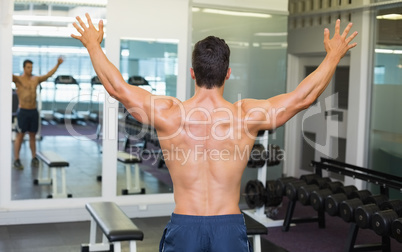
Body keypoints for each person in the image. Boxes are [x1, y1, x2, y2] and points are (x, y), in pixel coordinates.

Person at [71, 13, 357, 252]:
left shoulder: (169, 114)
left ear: (193, 73)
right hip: (228, 228)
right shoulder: (245, 116)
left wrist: (93, 45)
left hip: (185, 226)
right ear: (228, 73)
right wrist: (333, 55)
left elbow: (116, 87)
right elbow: (302, 99)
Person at [12, 57, 64, 169]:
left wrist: (58, 64)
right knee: (20, 136)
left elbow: (48, 75)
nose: (30, 69)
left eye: (31, 67)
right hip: (23, 111)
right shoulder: (18, 80)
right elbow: (6, 73)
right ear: (23, 68)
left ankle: (33, 157)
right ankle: (16, 159)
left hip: (33, 111)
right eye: (28, 67)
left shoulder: (35, 79)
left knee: (32, 135)